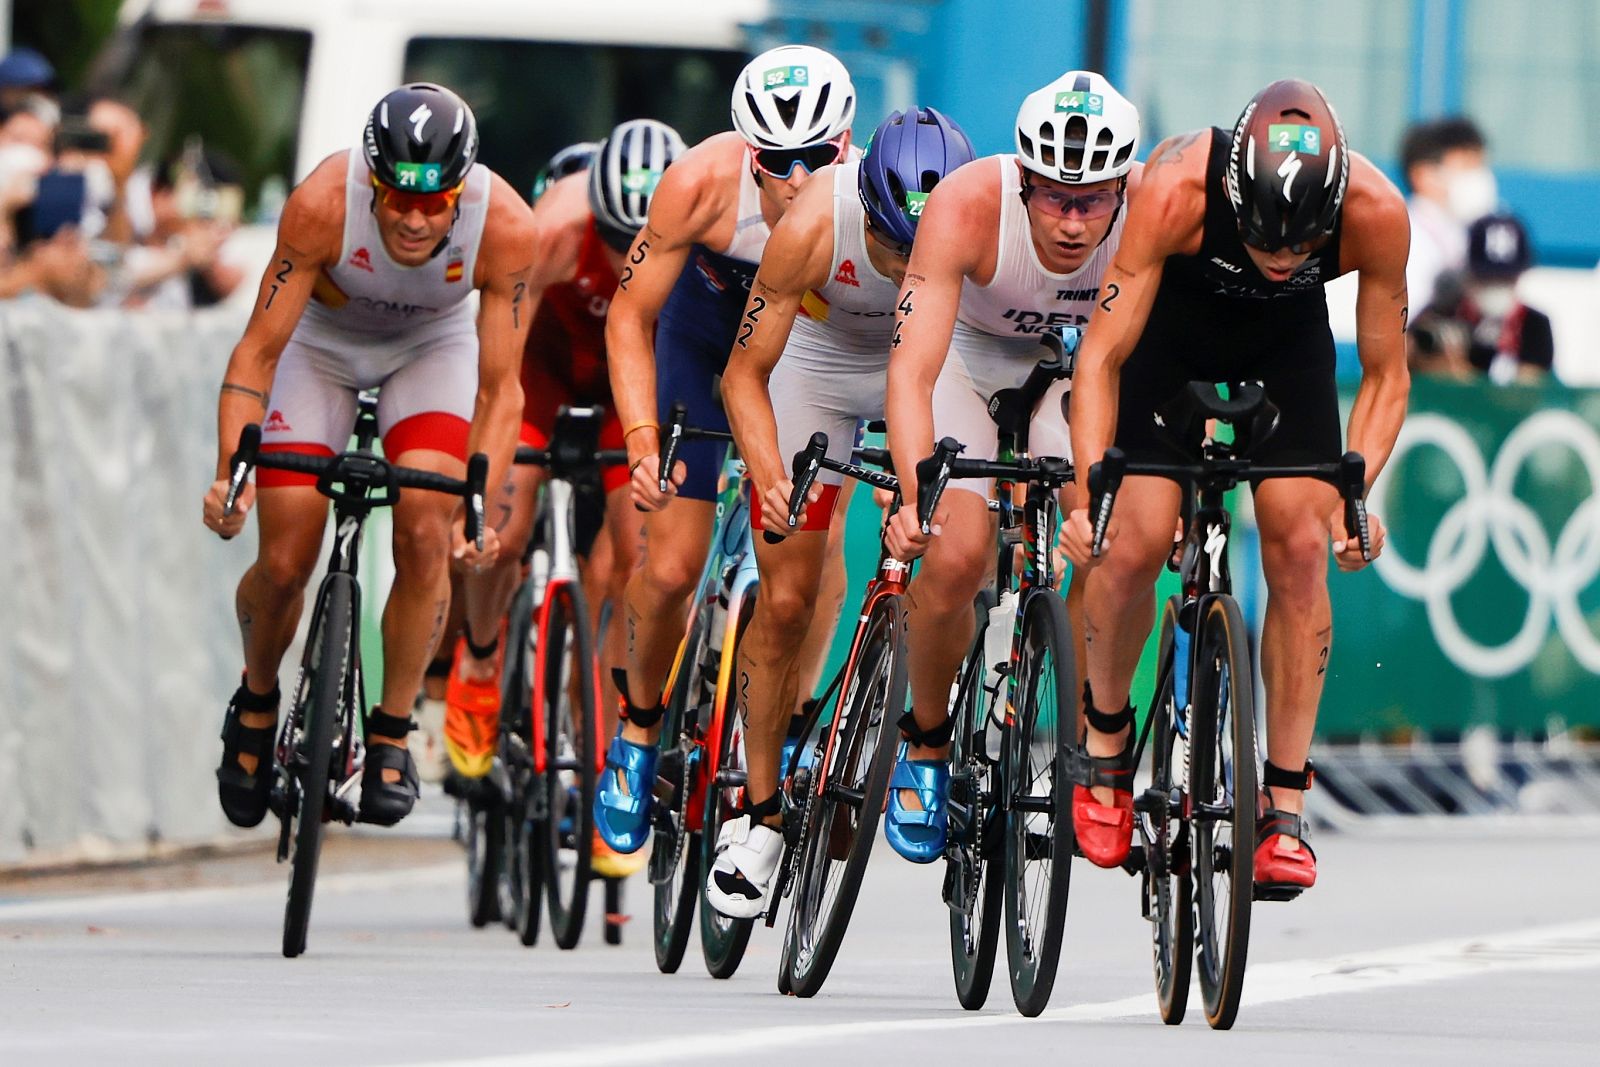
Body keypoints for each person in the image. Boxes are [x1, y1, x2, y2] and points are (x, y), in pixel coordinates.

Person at [1060, 79, 1410, 895]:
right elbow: (1101, 357)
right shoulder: (1174, 186)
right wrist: (1090, 494)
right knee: (1133, 540)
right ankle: (1105, 739)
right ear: (1231, 193)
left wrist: (1355, 497)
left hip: (1285, 347)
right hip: (1168, 337)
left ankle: (1283, 804)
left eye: (1303, 247)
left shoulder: (1377, 212)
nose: (1282, 260)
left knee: (1300, 545)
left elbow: (1388, 376)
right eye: (1261, 239)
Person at [200, 82, 536, 829]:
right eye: (398, 200)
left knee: (426, 530)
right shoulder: (323, 201)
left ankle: (390, 731)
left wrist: (479, 505)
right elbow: (256, 354)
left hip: (430, 349)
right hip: (320, 346)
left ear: (461, 190)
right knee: (284, 556)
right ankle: (256, 699)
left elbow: (500, 389)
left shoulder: (507, 224)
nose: (415, 220)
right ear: (373, 182)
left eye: (435, 203)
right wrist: (232, 473)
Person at [597, 44, 858, 860]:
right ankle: (638, 728)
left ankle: (789, 722)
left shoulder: (870, 194)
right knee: (673, 563)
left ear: (847, 144)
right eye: (777, 162)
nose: (798, 179)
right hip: (703, 343)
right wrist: (642, 437)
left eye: (817, 158)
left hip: (802, 357)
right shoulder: (700, 184)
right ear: (749, 154)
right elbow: (629, 317)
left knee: (819, 546)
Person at [713, 106, 976, 915]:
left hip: (930, 362)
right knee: (787, 594)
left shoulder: (976, 223)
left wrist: (919, 483)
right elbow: (743, 375)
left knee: (953, 549)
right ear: (865, 209)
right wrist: (770, 475)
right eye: (895, 247)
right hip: (819, 366)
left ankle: (922, 734)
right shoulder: (811, 223)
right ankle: (758, 812)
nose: (908, 265)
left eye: (923, 249)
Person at [882, 70, 1141, 863]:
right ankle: (926, 740)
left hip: (1072, 372)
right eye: (1055, 197)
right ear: (1023, 179)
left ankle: (1079, 735)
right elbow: (911, 372)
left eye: (1093, 200)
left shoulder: (1149, 215)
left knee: (1104, 539)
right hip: (965, 362)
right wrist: (916, 493)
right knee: (955, 552)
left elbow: (1139, 369)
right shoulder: (968, 203)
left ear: (1122, 189)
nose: (1073, 221)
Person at [442, 119, 683, 876]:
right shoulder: (552, 230)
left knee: (633, 564)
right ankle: (481, 661)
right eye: (614, 240)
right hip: (540, 369)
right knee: (502, 529)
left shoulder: (698, 232)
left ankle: (610, 762)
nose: (628, 258)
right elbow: (494, 366)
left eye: (644, 243)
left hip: (627, 387)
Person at [1409, 211, 1552, 384]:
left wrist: (1465, 378)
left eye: (1504, 280)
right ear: (1469, 273)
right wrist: (1426, 363)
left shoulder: (1533, 324)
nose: (1495, 288)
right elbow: (1405, 354)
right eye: (1487, 279)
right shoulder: (1444, 312)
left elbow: (1530, 386)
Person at [1399, 116, 1495, 312]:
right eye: (1468, 165)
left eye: (1481, 165)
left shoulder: (1470, 232)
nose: (1479, 176)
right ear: (1424, 175)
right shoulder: (1403, 238)